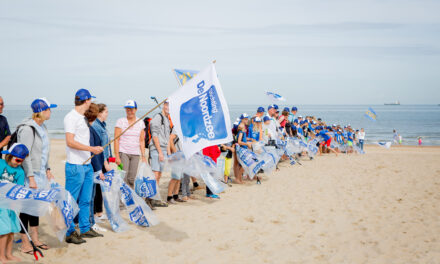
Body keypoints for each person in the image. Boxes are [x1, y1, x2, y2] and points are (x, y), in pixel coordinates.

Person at [17, 98, 57, 254]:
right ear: (42, 111)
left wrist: (48, 168)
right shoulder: (28, 129)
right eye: (49, 109)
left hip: (40, 174)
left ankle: (35, 239)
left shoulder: (43, 127)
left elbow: (44, 152)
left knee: (35, 207)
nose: (50, 112)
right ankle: (24, 242)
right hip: (30, 175)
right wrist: (31, 177)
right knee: (26, 208)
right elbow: (24, 155)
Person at [64, 88, 104, 244]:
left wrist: (92, 152)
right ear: (86, 100)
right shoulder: (71, 117)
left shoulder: (84, 118)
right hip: (75, 166)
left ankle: (86, 228)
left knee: (86, 200)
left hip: (87, 165)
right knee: (71, 201)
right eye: (90, 100)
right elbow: (70, 141)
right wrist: (92, 149)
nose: (91, 103)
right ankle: (69, 232)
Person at [0, 143, 29, 263]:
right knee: (4, 230)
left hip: (12, 204)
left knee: (12, 229)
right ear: (10, 156)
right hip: (1, 203)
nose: (19, 163)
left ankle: (9, 254)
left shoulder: (20, 172)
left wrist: (16, 202)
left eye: (21, 161)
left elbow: (19, 189)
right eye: (17, 159)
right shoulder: (1, 164)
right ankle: (2, 256)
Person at [85, 103, 108, 232]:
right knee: (90, 196)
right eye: (105, 112)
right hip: (94, 166)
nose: (107, 114)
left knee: (92, 195)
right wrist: (100, 168)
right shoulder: (92, 128)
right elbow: (94, 150)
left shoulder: (93, 127)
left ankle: (91, 219)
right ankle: (91, 221)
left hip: (96, 165)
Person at [114, 100, 147, 190]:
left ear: (136, 109)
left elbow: (141, 141)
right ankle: (121, 202)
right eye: (127, 109)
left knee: (132, 178)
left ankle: (130, 199)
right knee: (123, 177)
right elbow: (116, 140)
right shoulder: (120, 121)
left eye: (131, 109)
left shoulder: (140, 122)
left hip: (135, 154)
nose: (129, 111)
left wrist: (143, 156)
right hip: (123, 152)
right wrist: (117, 156)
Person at [149, 100, 171, 207]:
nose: (169, 108)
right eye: (168, 105)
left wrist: (167, 152)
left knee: (159, 175)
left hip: (163, 150)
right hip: (157, 149)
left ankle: (155, 198)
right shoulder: (158, 117)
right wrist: (160, 152)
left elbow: (166, 138)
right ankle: (151, 198)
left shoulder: (166, 119)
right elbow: (155, 135)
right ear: (164, 105)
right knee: (155, 174)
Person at [91, 103, 111, 221]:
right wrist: (105, 163)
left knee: (101, 186)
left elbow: (107, 144)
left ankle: (99, 211)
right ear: (99, 113)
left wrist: (110, 157)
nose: (107, 114)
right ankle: (96, 213)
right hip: (100, 159)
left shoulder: (103, 125)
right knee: (98, 186)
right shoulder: (96, 126)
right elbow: (99, 146)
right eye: (106, 111)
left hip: (105, 158)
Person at [167, 127, 186, 204]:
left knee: (179, 178)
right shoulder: (177, 126)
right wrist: (175, 152)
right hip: (177, 156)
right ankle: (169, 197)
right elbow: (170, 139)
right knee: (175, 177)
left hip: (183, 156)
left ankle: (176, 195)